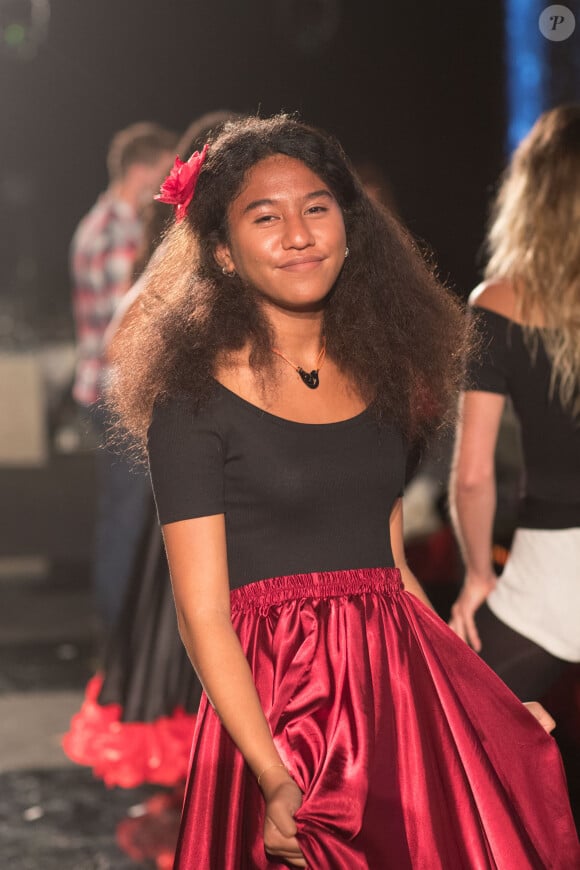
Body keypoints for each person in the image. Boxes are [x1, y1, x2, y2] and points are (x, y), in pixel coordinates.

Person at [107, 114, 579, 868]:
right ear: (223, 254)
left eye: (317, 208)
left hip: (396, 692)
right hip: (276, 703)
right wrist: (270, 773)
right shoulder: (192, 401)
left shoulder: (386, 376)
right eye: (266, 217)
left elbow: (393, 570)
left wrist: (476, 702)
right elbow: (202, 614)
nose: (298, 233)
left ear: (350, 229)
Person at [449, 104, 580, 702]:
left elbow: (473, 477)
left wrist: (478, 575)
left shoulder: (500, 302)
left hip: (554, 569)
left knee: (460, 733)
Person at [70, 121, 178, 628]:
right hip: (118, 393)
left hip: (98, 390)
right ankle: (122, 645)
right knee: (129, 521)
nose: (165, 188)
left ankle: (119, 641)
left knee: (123, 517)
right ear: (140, 171)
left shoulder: (93, 222)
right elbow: (126, 329)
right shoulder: (120, 231)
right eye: (161, 173)